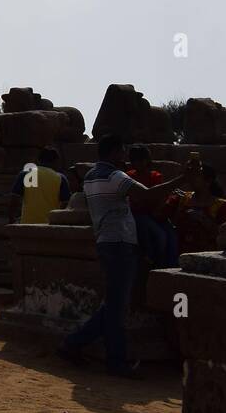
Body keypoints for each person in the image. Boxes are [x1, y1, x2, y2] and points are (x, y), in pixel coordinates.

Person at [58, 135, 190, 377]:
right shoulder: (115, 176)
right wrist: (182, 179)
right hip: (120, 242)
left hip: (106, 240)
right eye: (122, 151)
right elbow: (148, 196)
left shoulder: (89, 176)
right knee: (117, 307)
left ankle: (80, 346)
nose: (124, 157)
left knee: (114, 304)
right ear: (113, 153)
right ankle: (106, 357)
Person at [126, 145, 178, 267]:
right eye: (135, 160)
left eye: (141, 160)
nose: (138, 163)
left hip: (154, 213)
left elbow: (158, 198)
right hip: (138, 214)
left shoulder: (155, 176)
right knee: (160, 236)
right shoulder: (129, 176)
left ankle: (171, 265)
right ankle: (156, 263)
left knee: (172, 236)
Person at [169, 164, 226, 255]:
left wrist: (203, 219)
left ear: (208, 181)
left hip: (207, 254)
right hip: (180, 252)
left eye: (196, 176)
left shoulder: (220, 205)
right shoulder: (182, 199)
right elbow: (161, 217)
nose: (191, 179)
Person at [8, 146, 71, 225]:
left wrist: (12, 219)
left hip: (27, 224)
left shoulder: (26, 174)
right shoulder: (60, 178)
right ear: (56, 161)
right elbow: (65, 204)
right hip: (50, 225)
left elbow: (14, 199)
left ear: (38, 160)